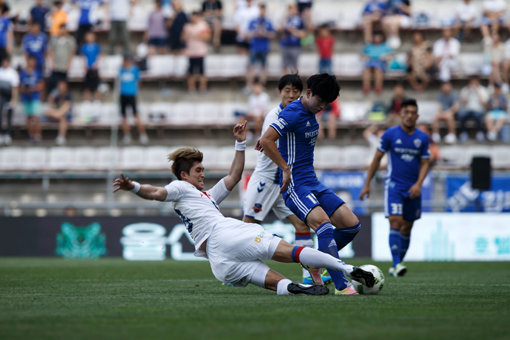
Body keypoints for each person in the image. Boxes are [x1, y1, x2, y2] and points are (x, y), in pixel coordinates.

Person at [113, 122, 375, 295]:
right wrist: (134, 186)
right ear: (184, 175)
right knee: (290, 252)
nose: (203, 174)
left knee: (271, 280)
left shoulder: (204, 197)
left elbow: (233, 177)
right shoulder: (180, 189)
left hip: (219, 261)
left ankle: (303, 288)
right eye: (198, 170)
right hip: (225, 233)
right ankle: (348, 270)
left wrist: (240, 144)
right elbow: (157, 193)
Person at [257, 73, 368, 295]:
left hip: (313, 182)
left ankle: (314, 261)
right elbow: (266, 140)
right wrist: (285, 168)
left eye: (326, 105)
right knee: (324, 226)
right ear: (308, 93)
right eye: (320, 102)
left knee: (351, 224)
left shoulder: (310, 112)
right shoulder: (293, 112)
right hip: (296, 185)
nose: (321, 108)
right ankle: (341, 285)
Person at [242, 74, 327, 285]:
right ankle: (238, 268)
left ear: (301, 93)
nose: (291, 95)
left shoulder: (300, 112)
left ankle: (309, 274)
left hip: (283, 182)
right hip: (267, 179)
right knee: (248, 226)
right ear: (280, 92)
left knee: (300, 223)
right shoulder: (275, 115)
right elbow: (268, 142)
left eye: (295, 91)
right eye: (287, 90)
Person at [360, 98, 430, 277]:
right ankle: (397, 263)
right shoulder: (390, 134)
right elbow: (376, 159)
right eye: (405, 112)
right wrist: (367, 184)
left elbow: (425, 163)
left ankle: (397, 262)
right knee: (395, 221)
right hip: (394, 186)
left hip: (413, 189)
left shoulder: (422, 138)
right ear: (401, 114)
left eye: (412, 113)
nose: (408, 116)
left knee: (407, 227)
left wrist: (419, 184)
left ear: (417, 115)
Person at [118, 54, 148, 144]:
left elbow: (138, 81)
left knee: (136, 115)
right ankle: (127, 135)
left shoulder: (135, 70)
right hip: (123, 95)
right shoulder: (121, 70)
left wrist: (135, 89)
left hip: (131, 95)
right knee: (124, 116)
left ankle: (142, 134)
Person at [246, 3, 275, 89]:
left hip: (264, 47)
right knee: (251, 67)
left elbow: (273, 35)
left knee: (263, 67)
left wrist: (265, 34)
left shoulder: (268, 22)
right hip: (254, 47)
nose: (261, 11)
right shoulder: (253, 21)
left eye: (263, 10)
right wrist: (255, 33)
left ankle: (262, 85)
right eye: (260, 9)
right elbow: (247, 34)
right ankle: (249, 86)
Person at [182, 11, 211, 93]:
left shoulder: (203, 25)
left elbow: (207, 37)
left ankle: (203, 88)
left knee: (202, 72)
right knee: (190, 72)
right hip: (191, 52)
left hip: (200, 52)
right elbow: (183, 38)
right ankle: (191, 88)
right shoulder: (187, 26)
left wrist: (195, 35)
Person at [47, 23, 76, 96]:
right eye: (61, 29)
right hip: (56, 65)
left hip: (64, 65)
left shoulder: (70, 39)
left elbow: (72, 52)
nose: (62, 31)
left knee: (64, 83)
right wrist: (52, 63)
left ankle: (63, 99)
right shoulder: (54, 39)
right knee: (53, 83)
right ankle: (52, 99)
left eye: (64, 29)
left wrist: (69, 64)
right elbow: (51, 51)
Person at [458, 75, 488, 143]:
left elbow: (484, 103)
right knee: (461, 115)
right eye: (472, 82)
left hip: (478, 110)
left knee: (478, 116)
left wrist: (477, 92)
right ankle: (464, 133)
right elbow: (462, 103)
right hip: (467, 110)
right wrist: (468, 92)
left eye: (475, 81)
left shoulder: (482, 89)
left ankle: (480, 133)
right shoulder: (465, 89)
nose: (474, 83)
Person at [20, 56, 44, 142]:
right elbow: (21, 86)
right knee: (29, 117)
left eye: (34, 61)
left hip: (35, 97)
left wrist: (32, 89)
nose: (32, 63)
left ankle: (37, 134)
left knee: (36, 117)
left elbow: (41, 86)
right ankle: (30, 135)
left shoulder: (37, 73)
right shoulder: (23, 73)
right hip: (26, 98)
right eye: (30, 61)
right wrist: (26, 89)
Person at [279, 4, 306, 74]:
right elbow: (280, 29)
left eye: (293, 9)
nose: (292, 11)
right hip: (285, 45)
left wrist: (293, 31)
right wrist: (283, 18)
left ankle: (295, 83)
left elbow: (303, 34)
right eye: (290, 9)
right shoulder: (286, 20)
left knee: (294, 67)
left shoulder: (300, 20)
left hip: (295, 46)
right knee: (284, 66)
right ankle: (284, 83)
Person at [44, 80, 72, 146]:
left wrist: (54, 113)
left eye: (62, 87)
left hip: (65, 115)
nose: (60, 88)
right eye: (59, 87)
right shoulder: (56, 96)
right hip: (55, 114)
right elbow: (51, 107)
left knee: (62, 118)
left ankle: (61, 137)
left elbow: (64, 110)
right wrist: (51, 97)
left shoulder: (68, 96)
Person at [0, 55, 18, 146]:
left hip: (9, 96)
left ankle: (8, 134)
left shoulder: (13, 73)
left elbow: (15, 88)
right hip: (1, 96)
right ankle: (1, 134)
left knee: (9, 116)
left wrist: (13, 100)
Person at [80, 30, 101, 102]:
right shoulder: (84, 47)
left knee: (96, 86)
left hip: (94, 69)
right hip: (87, 69)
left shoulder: (96, 46)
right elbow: (83, 57)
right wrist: (84, 65)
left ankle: (97, 101)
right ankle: (86, 101)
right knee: (86, 87)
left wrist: (97, 64)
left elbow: (99, 56)